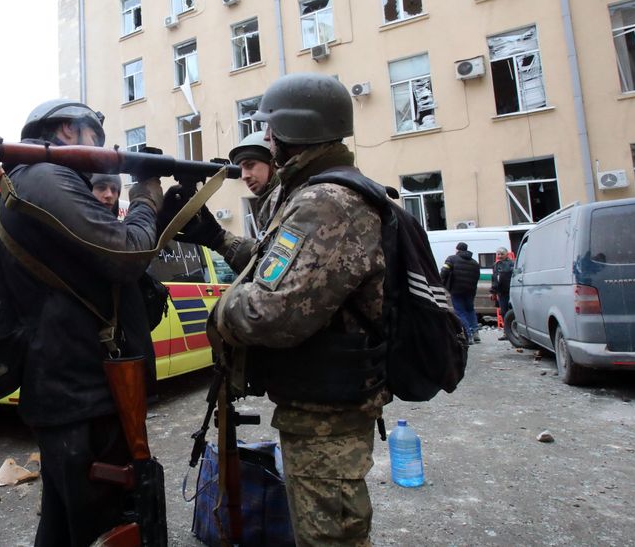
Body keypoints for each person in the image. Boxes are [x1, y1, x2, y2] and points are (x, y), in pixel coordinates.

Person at [169, 73, 389, 546]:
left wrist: (222, 308)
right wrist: (215, 238)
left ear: (293, 131)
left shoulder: (325, 202)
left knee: (328, 536)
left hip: (328, 410)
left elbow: (274, 311)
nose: (267, 139)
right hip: (320, 402)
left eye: (270, 130)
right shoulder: (317, 192)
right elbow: (283, 271)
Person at [0, 99, 163, 546]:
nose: (100, 153)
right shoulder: (46, 178)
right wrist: (146, 194)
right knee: (101, 527)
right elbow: (128, 254)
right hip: (82, 397)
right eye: (96, 139)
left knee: (65, 528)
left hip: (73, 394)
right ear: (69, 131)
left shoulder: (34, 180)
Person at [228, 130, 279, 236]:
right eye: (241, 169)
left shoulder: (291, 200)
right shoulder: (270, 204)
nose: (244, 176)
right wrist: (218, 238)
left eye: (250, 165)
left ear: (273, 163)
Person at [441, 242, 482, 344]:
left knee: (460, 312)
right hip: (470, 290)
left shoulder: (451, 259)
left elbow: (444, 270)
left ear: (457, 249)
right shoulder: (474, 262)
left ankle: (468, 335)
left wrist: (441, 281)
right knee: (470, 310)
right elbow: (477, 277)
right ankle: (475, 332)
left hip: (456, 289)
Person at [491, 247, 515, 320]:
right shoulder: (495, 265)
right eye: (498, 254)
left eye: (502, 254)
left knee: (511, 310)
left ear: (506, 254)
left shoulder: (512, 264)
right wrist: (493, 292)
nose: (500, 256)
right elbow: (494, 279)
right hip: (501, 292)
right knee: (504, 311)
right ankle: (506, 327)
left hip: (511, 290)